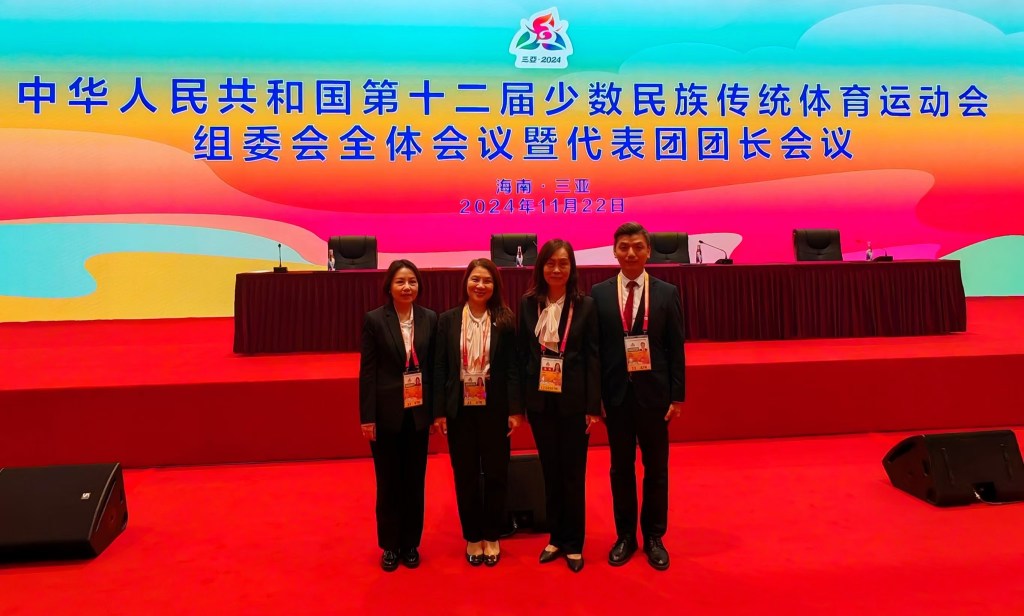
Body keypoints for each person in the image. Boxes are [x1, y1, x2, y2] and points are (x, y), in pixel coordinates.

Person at [590, 222, 685, 571]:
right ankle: (625, 536)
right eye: (624, 247)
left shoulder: (667, 293)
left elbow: (676, 347)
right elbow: (594, 351)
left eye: (637, 247)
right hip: (615, 397)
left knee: (656, 469)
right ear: (614, 251)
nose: (631, 253)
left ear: (648, 251)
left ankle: (655, 536)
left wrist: (678, 396)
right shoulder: (598, 294)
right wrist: (594, 398)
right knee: (621, 469)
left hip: (655, 397)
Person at [518, 239, 601, 573]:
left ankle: (574, 542)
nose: (556, 269)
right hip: (540, 401)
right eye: (550, 263)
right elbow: (522, 354)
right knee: (550, 472)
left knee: (573, 473)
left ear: (572, 268)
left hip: (574, 402)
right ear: (541, 268)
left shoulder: (586, 305)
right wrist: (521, 402)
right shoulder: (528, 304)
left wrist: (593, 406)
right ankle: (555, 537)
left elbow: (593, 357)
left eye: (563, 263)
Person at [433, 259, 523, 567]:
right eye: (475, 279)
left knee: (497, 473)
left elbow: (513, 368)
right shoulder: (447, 320)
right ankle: (473, 535)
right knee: (466, 474)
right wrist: (440, 412)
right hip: (460, 408)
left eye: (487, 280)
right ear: (466, 283)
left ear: (495, 286)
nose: (480, 285)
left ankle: (492, 534)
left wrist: (515, 410)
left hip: (495, 407)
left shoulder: (505, 320)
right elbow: (440, 367)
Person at [359, 260, 437, 572]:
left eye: (412, 282)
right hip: (386, 414)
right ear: (389, 286)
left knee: (415, 481)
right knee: (389, 481)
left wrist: (435, 413)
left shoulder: (430, 318)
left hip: (418, 413)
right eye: (401, 282)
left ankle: (410, 543)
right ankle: (390, 545)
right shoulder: (375, 320)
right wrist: (367, 417)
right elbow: (368, 372)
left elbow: (434, 368)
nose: (407, 287)